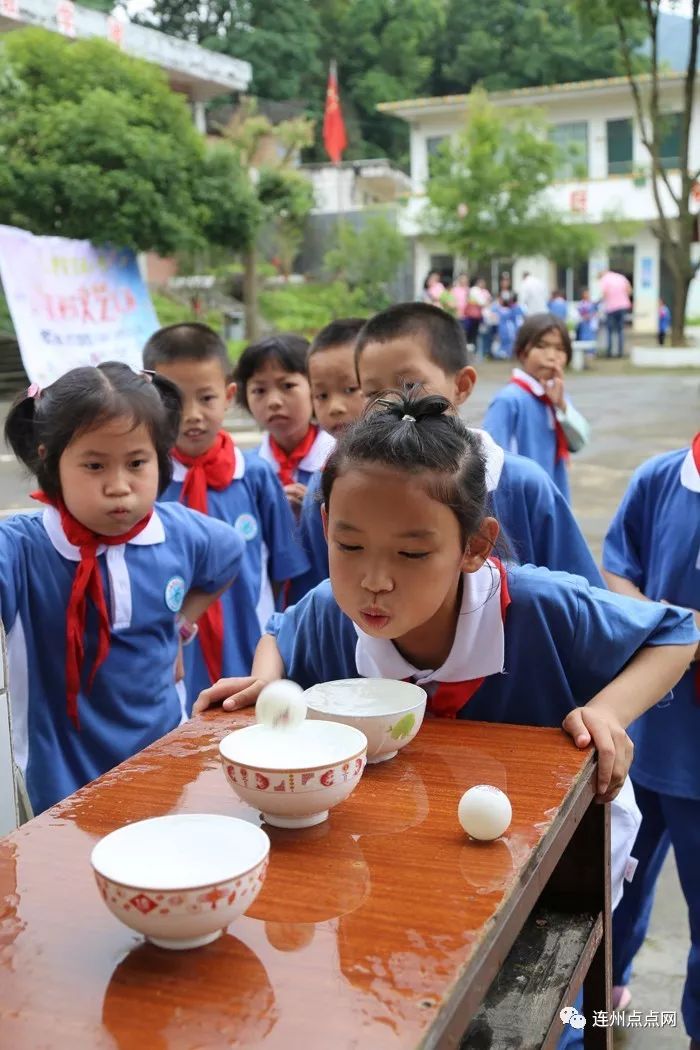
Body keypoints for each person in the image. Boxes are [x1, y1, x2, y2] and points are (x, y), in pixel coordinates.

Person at [195, 390, 696, 819]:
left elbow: (673, 633)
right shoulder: (332, 611)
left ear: (475, 546)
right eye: (349, 546)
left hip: (549, 848)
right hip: (399, 836)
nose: (373, 581)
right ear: (326, 526)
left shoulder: (541, 607)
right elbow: (281, 630)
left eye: (411, 553)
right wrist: (265, 679)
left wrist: (608, 711)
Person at [0, 363, 245, 814]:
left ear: (161, 457)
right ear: (48, 461)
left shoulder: (181, 533)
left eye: (137, 463)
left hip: (162, 751)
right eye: (94, 465)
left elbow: (229, 554)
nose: (118, 487)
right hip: (59, 776)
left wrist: (181, 626)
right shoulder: (23, 547)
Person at [350, 302, 602, 583]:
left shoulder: (521, 484)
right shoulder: (345, 483)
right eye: (372, 392)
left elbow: (585, 601)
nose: (392, 404)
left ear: (462, 385)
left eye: (410, 385)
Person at [142, 323, 309, 703]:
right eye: (176, 401)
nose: (192, 415)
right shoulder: (146, 481)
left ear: (229, 395)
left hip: (249, 646)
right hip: (178, 654)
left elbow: (284, 572)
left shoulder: (254, 475)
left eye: (206, 398)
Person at [602, 435, 700, 1048]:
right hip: (642, 741)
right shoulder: (662, 479)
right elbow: (617, 567)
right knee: (614, 894)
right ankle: (599, 1005)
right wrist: (669, 626)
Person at [293, 317, 367, 599]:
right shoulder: (321, 484)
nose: (335, 407)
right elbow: (316, 583)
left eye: (350, 389)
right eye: (321, 395)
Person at [483, 313, 590, 502]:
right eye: (541, 346)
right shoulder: (509, 400)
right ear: (523, 352)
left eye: (560, 349)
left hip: (553, 498)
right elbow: (491, 462)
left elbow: (579, 442)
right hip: (521, 503)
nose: (551, 356)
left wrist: (561, 406)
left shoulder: (557, 396)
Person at [234, 334, 335, 515]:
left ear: (315, 388)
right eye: (259, 390)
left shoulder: (340, 458)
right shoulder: (242, 469)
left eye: (287, 386)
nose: (274, 402)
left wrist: (316, 510)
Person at [598, 268, 632, 359]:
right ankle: (620, 353)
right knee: (620, 330)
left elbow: (604, 293)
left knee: (610, 331)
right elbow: (629, 290)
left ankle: (609, 352)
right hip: (623, 306)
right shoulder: (621, 277)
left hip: (611, 307)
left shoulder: (604, 279)